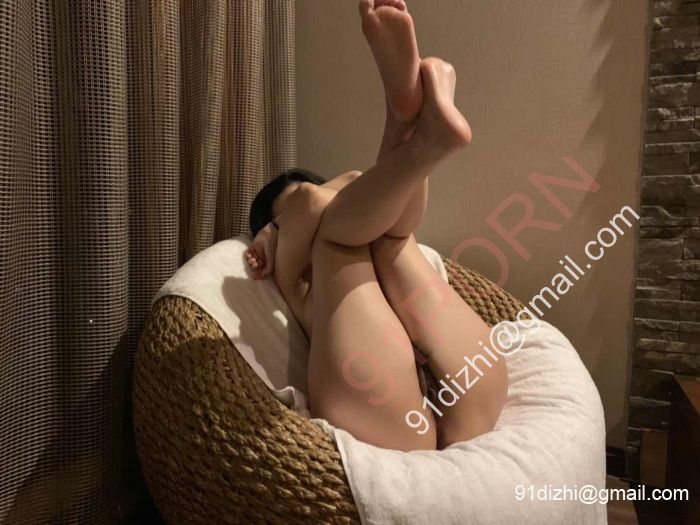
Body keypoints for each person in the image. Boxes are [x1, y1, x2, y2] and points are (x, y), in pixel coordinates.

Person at [245, 0, 507, 452]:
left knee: (381, 235)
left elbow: (349, 189)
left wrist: (299, 220)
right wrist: (275, 230)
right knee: (362, 238)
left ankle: (410, 125)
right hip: (465, 386)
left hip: (388, 401)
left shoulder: (349, 245)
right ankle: (409, 126)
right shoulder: (295, 275)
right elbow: (312, 200)